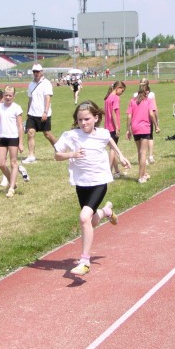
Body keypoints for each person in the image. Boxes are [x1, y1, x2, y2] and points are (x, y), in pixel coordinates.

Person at [54, 100, 130, 275]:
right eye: (80, 120)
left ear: (96, 118)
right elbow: (57, 155)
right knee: (91, 220)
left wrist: (121, 156)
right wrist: (72, 154)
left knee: (83, 218)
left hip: (99, 182)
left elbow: (110, 140)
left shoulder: (102, 133)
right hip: (81, 184)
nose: (83, 123)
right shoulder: (71, 135)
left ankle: (84, 261)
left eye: (87, 119)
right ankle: (106, 212)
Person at [22, 64, 57, 164]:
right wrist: (28, 112)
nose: (36, 73)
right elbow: (30, 99)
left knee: (47, 134)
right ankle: (31, 155)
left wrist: (45, 112)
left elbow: (48, 98)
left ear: (42, 72)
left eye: (38, 71)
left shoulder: (46, 83)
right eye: (34, 72)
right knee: (30, 133)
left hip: (43, 113)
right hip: (32, 113)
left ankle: (59, 148)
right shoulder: (31, 84)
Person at [0, 86, 25, 198]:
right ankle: (12, 181)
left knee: (13, 163)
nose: (8, 97)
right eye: (6, 95)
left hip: (13, 137)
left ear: (14, 96)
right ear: (3, 95)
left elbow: (20, 126)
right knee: (1, 163)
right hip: (2, 138)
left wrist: (21, 142)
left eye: (10, 95)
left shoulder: (17, 108)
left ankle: (11, 188)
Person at [126, 82, 158, 183]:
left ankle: (144, 173)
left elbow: (129, 116)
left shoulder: (132, 101)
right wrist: (156, 125)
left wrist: (128, 129)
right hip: (144, 128)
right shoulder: (148, 101)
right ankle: (141, 177)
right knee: (143, 152)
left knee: (140, 151)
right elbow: (151, 114)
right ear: (146, 92)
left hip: (135, 128)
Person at [103, 80, 127, 176]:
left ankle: (117, 171)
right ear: (118, 88)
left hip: (107, 127)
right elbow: (113, 112)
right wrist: (117, 127)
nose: (122, 93)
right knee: (113, 149)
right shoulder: (115, 98)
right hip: (113, 127)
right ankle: (109, 170)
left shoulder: (108, 97)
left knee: (113, 148)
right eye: (122, 90)